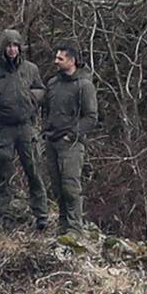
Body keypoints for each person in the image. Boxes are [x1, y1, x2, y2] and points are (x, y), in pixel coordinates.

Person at [0, 28, 47, 230]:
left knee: (33, 169)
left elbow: (41, 89)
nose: (12, 49)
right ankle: (5, 215)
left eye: (15, 45)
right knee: (3, 170)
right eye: (8, 45)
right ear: (2, 48)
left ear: (20, 47)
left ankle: (41, 214)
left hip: (26, 126)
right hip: (3, 128)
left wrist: (32, 98)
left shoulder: (30, 69)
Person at [39, 44, 96, 236]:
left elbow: (91, 117)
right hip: (52, 140)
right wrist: (45, 130)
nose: (56, 61)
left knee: (70, 186)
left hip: (71, 143)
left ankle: (75, 228)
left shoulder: (84, 85)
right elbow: (46, 108)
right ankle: (63, 225)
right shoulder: (53, 83)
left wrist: (72, 134)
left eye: (60, 58)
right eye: (56, 57)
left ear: (72, 60)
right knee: (56, 186)